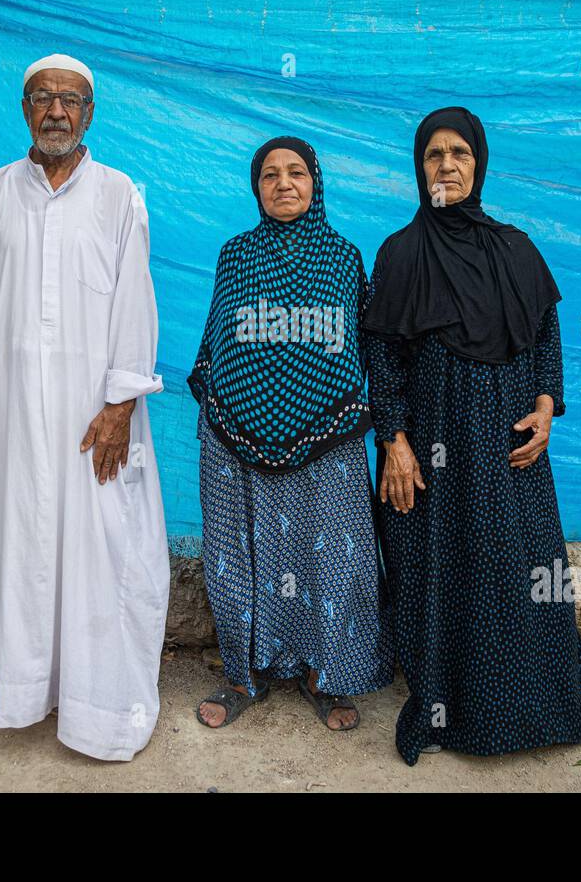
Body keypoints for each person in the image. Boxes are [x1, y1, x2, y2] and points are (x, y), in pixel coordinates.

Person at [362, 106, 581, 766]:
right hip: (434, 445)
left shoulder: (516, 249)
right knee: (442, 570)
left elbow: (546, 338)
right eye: (433, 155)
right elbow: (380, 354)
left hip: (507, 444)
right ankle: (449, 709)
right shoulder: (401, 253)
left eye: (459, 154)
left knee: (518, 568)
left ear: (479, 164)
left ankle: (535, 707)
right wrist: (395, 438)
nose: (446, 165)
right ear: (419, 168)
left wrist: (549, 405)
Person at [0, 53, 169, 760]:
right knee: (25, 544)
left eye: (71, 100)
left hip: (95, 412)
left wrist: (121, 405)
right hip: (15, 406)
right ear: (24, 108)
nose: (57, 111)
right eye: (42, 98)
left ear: (90, 113)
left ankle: (101, 701)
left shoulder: (118, 194)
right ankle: (27, 686)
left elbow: (135, 299)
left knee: (104, 544)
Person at [188, 136, 393, 731]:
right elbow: (219, 347)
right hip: (234, 434)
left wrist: (358, 421)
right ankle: (240, 675)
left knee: (331, 556)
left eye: (296, 173)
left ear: (315, 183)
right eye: (270, 175)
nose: (283, 184)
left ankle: (323, 675)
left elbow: (360, 348)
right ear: (255, 188)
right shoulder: (235, 255)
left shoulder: (344, 258)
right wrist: (228, 412)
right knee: (235, 554)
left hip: (328, 435)